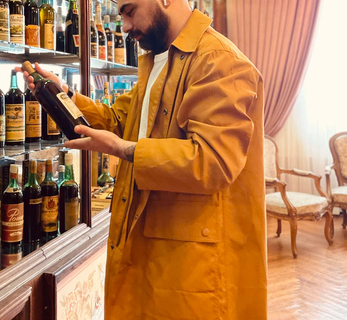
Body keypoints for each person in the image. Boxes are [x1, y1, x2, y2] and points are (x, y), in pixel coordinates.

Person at [20, 0, 266, 318]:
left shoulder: (219, 60)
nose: (123, 26)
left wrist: (124, 149)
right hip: (152, 247)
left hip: (191, 262)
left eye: (130, 10)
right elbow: (121, 121)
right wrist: (64, 94)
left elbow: (212, 162)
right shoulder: (157, 61)